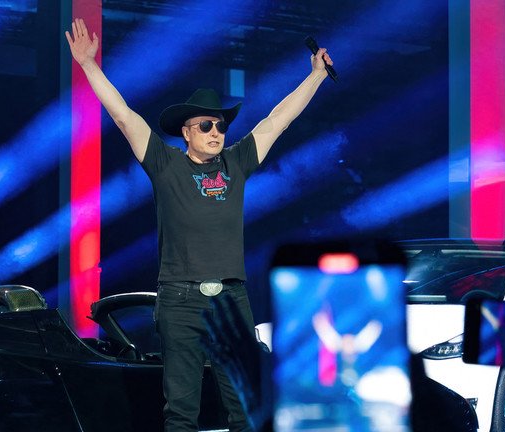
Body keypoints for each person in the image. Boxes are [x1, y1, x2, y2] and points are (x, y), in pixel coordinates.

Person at [65, 18, 333, 432]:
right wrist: (87, 64)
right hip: (180, 300)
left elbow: (277, 120)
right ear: (186, 133)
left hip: (231, 298)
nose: (215, 132)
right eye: (206, 126)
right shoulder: (165, 163)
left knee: (245, 408)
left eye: (220, 125)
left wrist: (315, 76)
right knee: (182, 411)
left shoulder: (236, 162)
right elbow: (123, 116)